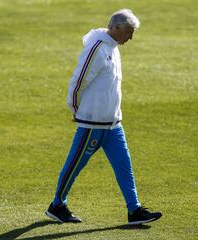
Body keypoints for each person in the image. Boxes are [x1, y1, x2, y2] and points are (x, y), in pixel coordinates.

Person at [45, 9, 162, 225]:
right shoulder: (97, 47)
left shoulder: (113, 47)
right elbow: (79, 81)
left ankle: (134, 209)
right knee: (74, 165)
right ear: (116, 28)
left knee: (124, 167)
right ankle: (57, 204)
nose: (131, 37)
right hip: (92, 124)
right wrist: (75, 110)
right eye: (129, 32)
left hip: (114, 124)